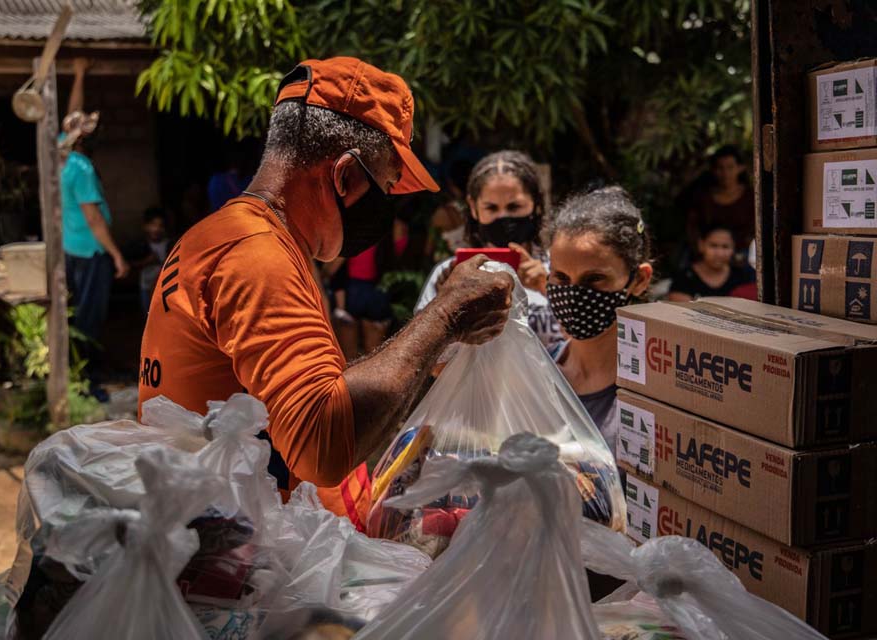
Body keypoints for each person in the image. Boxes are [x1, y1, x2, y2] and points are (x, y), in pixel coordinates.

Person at [137, 58, 513, 500]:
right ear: (346, 177)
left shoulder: (231, 236)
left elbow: (306, 389)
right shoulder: (255, 254)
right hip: (249, 556)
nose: (387, 205)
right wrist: (445, 316)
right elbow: (322, 446)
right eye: (388, 187)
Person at [415, 150, 560, 352]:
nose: (503, 217)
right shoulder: (451, 274)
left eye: (514, 206)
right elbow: (429, 361)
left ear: (535, 204)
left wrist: (550, 288)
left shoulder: (559, 270)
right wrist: (445, 307)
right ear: (474, 208)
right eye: (491, 208)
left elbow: (585, 349)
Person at [546, 186, 653, 452]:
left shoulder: (656, 394)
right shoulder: (536, 374)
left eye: (594, 279)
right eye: (560, 277)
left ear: (639, 280)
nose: (573, 295)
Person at [59, 58, 130, 399]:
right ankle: (86, 382)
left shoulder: (62, 156)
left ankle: (81, 374)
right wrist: (116, 254)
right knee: (90, 318)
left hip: (72, 249)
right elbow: (94, 218)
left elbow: (72, 112)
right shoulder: (82, 168)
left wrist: (79, 74)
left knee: (80, 315)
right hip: (91, 251)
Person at [686, 145, 754, 261]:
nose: (725, 173)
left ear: (740, 168)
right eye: (720, 168)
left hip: (742, 255)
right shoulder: (703, 197)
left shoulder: (751, 197)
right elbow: (692, 227)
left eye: (730, 167)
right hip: (708, 255)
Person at [667, 222, 756, 301]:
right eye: (713, 246)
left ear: (733, 248)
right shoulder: (684, 278)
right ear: (701, 245)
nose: (719, 253)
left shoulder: (743, 277)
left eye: (725, 247)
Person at [127, 207, 173, 314]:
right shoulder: (140, 245)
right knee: (148, 314)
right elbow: (130, 265)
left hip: (163, 289)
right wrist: (146, 261)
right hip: (145, 286)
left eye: (160, 226)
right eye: (152, 225)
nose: (156, 229)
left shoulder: (169, 245)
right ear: (145, 226)